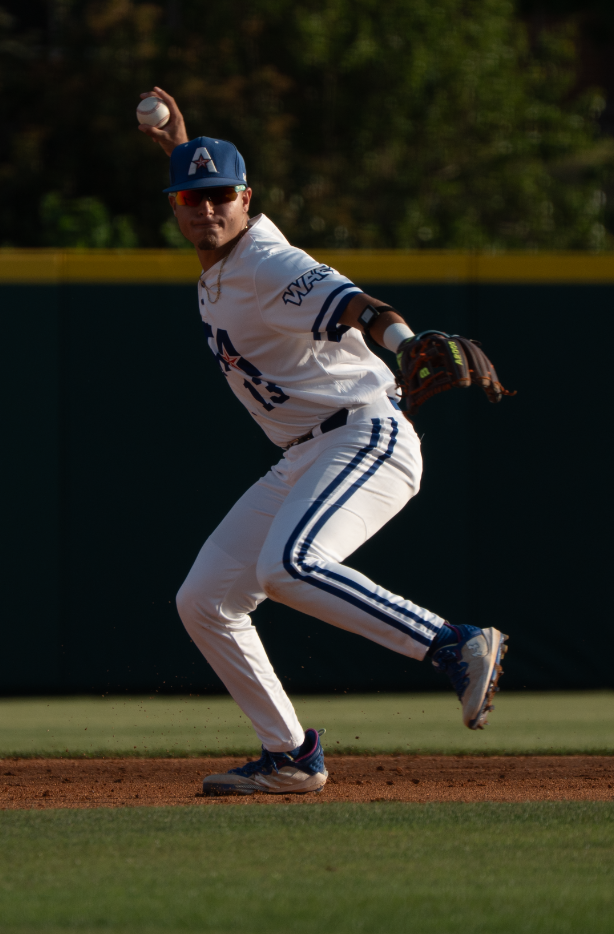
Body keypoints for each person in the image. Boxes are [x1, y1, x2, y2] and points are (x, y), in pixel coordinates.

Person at [137, 87, 509, 797]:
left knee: (290, 563)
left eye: (220, 194)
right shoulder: (220, 266)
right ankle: (290, 755)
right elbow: (199, 181)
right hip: (309, 452)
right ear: (175, 207)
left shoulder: (268, 262)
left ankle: (453, 643)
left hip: (366, 434)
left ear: (248, 198)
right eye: (191, 197)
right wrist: (181, 145)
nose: (207, 207)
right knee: (205, 598)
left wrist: (404, 342)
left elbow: (358, 305)